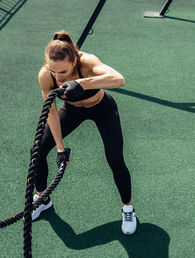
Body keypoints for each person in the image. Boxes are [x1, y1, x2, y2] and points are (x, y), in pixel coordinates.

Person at [32, 30, 136, 235]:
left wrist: (83, 83)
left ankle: (128, 208)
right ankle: (43, 198)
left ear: (74, 61)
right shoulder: (46, 75)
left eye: (62, 72)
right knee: (37, 150)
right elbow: (51, 111)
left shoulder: (87, 62)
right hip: (72, 111)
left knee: (115, 159)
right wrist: (60, 148)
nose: (58, 77)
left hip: (102, 108)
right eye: (53, 70)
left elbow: (119, 80)